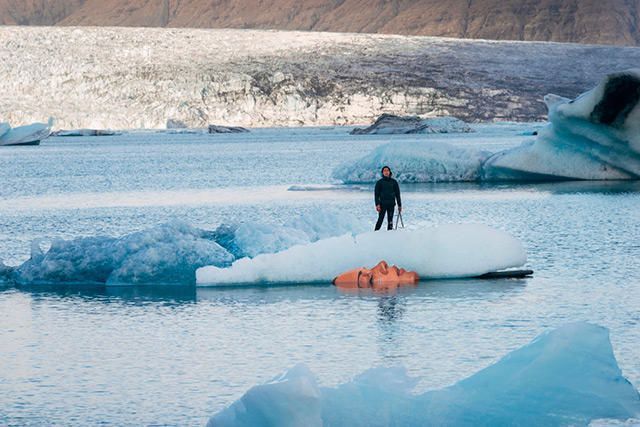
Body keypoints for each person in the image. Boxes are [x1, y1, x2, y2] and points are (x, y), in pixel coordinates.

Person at [374, 166, 402, 231]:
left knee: (390, 220)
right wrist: (377, 204)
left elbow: (397, 194)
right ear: (382, 173)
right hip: (382, 205)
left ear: (389, 172)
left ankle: (390, 235)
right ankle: (375, 233)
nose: (386, 172)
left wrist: (399, 205)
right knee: (380, 219)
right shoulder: (379, 182)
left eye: (387, 170)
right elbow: (376, 195)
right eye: (384, 171)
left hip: (391, 204)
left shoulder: (394, 182)